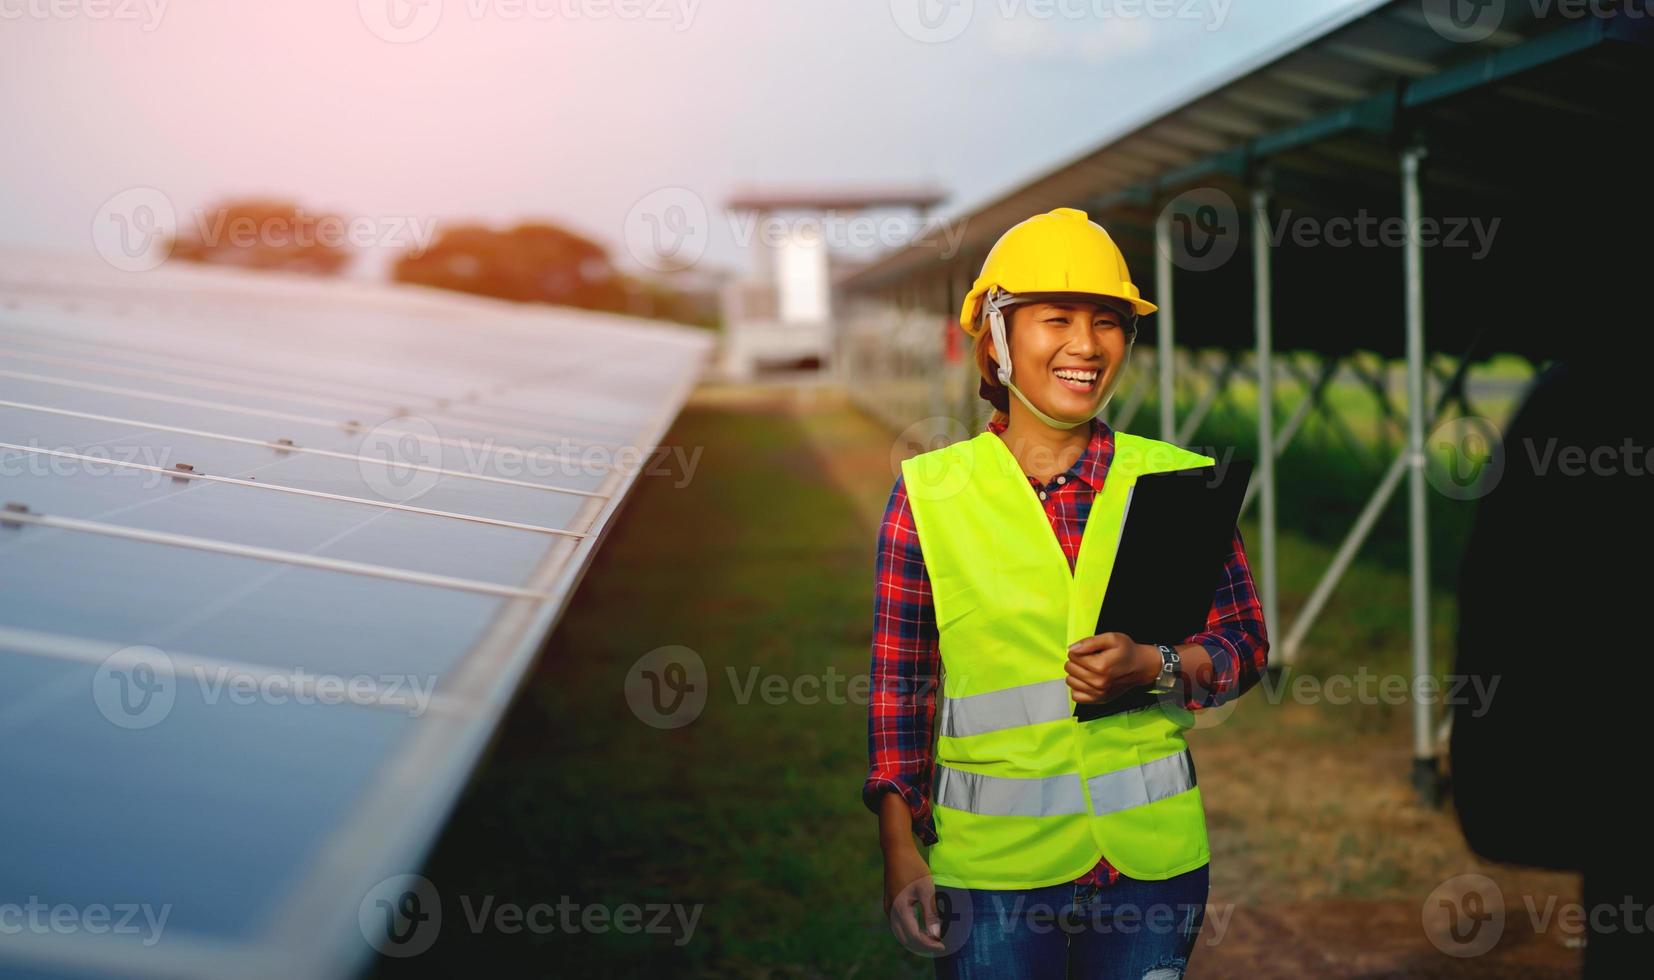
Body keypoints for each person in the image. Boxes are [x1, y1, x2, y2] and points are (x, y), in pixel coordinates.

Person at [863, 207, 1271, 978]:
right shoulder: (928, 494)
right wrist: (898, 847)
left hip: (1154, 873)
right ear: (995, 336)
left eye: (1109, 322)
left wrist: (1159, 666)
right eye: (1056, 318)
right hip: (993, 879)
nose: (1087, 346)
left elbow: (1244, 643)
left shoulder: (1177, 482)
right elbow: (900, 688)